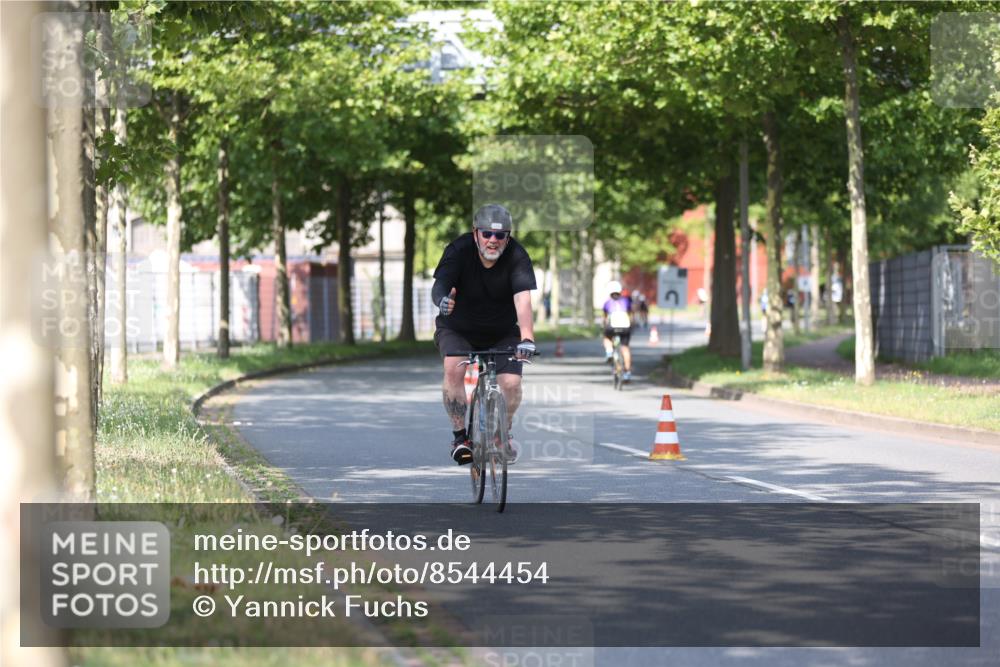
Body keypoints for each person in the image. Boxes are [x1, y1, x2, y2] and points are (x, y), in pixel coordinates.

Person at [432, 204, 537, 465]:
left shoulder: (517, 256)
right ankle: (460, 438)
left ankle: (503, 432)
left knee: (511, 383)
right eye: (487, 233)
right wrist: (442, 300)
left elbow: (523, 300)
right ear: (475, 233)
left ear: (508, 238)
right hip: (458, 328)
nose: (493, 240)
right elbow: (441, 284)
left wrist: (527, 338)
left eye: (500, 235)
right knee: (453, 367)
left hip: (502, 331)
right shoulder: (459, 250)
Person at [601, 281, 633, 382]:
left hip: (612, 327)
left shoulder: (607, 302)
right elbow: (630, 314)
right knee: (625, 348)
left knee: (606, 338)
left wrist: (604, 325)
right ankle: (627, 373)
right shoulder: (626, 301)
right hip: (625, 327)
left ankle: (609, 352)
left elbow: (605, 318)